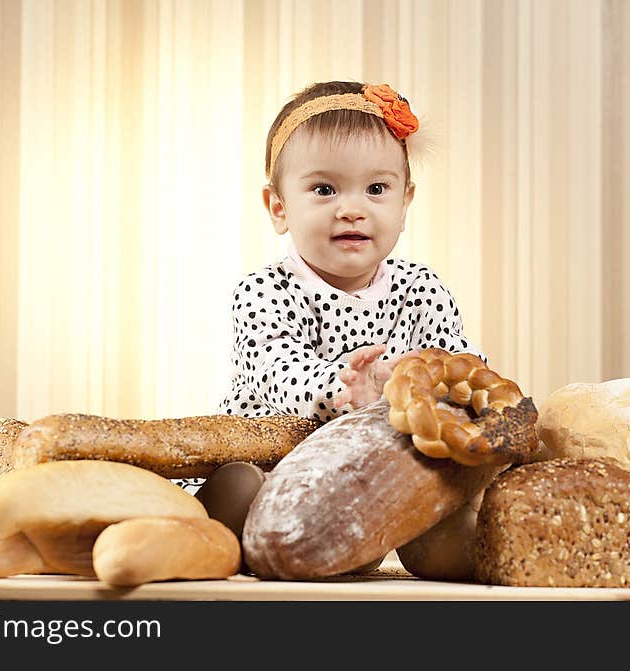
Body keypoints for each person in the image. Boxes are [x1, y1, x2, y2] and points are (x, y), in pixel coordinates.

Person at [176, 80, 484, 492]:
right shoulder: (264, 291)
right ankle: (235, 512)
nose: (353, 210)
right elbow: (278, 371)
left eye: (377, 189)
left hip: (366, 472)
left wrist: (465, 387)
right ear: (279, 208)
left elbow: (455, 359)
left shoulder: (420, 289)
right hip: (278, 459)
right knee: (245, 485)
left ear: (404, 202)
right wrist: (342, 387)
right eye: (324, 190)